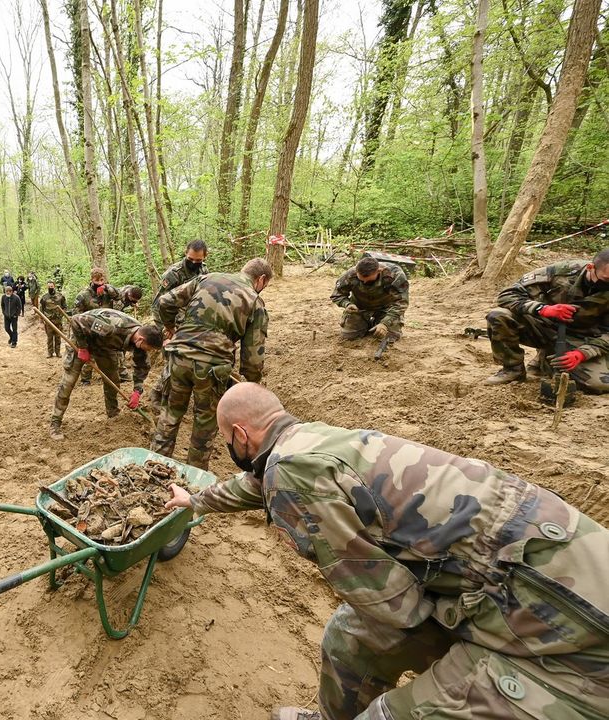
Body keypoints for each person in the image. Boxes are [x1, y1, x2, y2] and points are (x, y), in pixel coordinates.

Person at [166, 382, 609, 720]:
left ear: (240, 434)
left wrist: (438, 645)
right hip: (540, 551)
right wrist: (196, 500)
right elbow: (259, 482)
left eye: (228, 439)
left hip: (565, 625)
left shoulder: (292, 472)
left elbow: (385, 598)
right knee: (351, 636)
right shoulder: (310, 441)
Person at [151, 259, 271, 470]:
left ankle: (152, 470)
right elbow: (253, 357)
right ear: (261, 280)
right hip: (213, 368)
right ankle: (192, 481)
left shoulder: (206, 278)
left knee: (170, 415)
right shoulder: (254, 301)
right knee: (204, 424)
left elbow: (164, 302)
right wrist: (252, 384)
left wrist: (170, 326)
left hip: (179, 357)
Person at [483, 249, 609, 392]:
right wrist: (542, 309)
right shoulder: (561, 272)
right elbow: (507, 295)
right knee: (499, 315)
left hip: (585, 338)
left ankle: (545, 360)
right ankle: (513, 370)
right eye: (607, 280)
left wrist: (582, 353)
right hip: (544, 326)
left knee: (598, 384)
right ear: (590, 268)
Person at [49, 309, 163, 440]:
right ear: (141, 340)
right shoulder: (113, 326)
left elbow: (142, 367)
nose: (148, 351)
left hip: (105, 347)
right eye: (148, 348)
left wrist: (137, 391)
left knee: (113, 381)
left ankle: (113, 414)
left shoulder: (139, 340)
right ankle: (55, 423)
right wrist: (83, 347)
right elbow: (76, 320)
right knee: (68, 382)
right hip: (83, 340)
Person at [330, 255, 409, 342]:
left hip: (386, 309)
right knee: (349, 337)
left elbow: (401, 302)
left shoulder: (394, 274)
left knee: (388, 337)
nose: (364, 282)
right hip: (359, 309)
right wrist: (347, 304)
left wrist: (385, 323)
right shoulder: (350, 274)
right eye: (361, 280)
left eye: (368, 280)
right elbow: (337, 295)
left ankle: (378, 322)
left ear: (379, 271)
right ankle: (366, 324)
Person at [73, 268, 121, 385]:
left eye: (101, 280)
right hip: (90, 329)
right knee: (89, 355)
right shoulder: (83, 295)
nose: (99, 283)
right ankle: (85, 379)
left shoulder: (108, 292)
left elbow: (119, 296)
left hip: (106, 329)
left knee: (111, 353)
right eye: (96, 280)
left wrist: (107, 288)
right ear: (91, 279)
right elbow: (76, 315)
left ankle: (112, 376)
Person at [152, 240, 208, 329]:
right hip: (176, 320)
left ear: (205, 256)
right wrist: (165, 330)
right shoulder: (173, 274)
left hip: (195, 316)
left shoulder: (203, 269)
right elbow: (157, 305)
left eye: (198, 260)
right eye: (190, 259)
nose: (193, 263)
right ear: (185, 253)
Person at [38, 280, 68, 357]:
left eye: (51, 286)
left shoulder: (60, 296)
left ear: (54, 286)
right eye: (49, 286)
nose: (50, 288)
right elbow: (41, 309)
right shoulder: (44, 297)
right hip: (48, 320)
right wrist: (42, 320)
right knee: (49, 337)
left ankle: (58, 352)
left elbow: (64, 307)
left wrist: (61, 314)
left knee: (58, 337)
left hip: (58, 320)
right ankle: (50, 352)